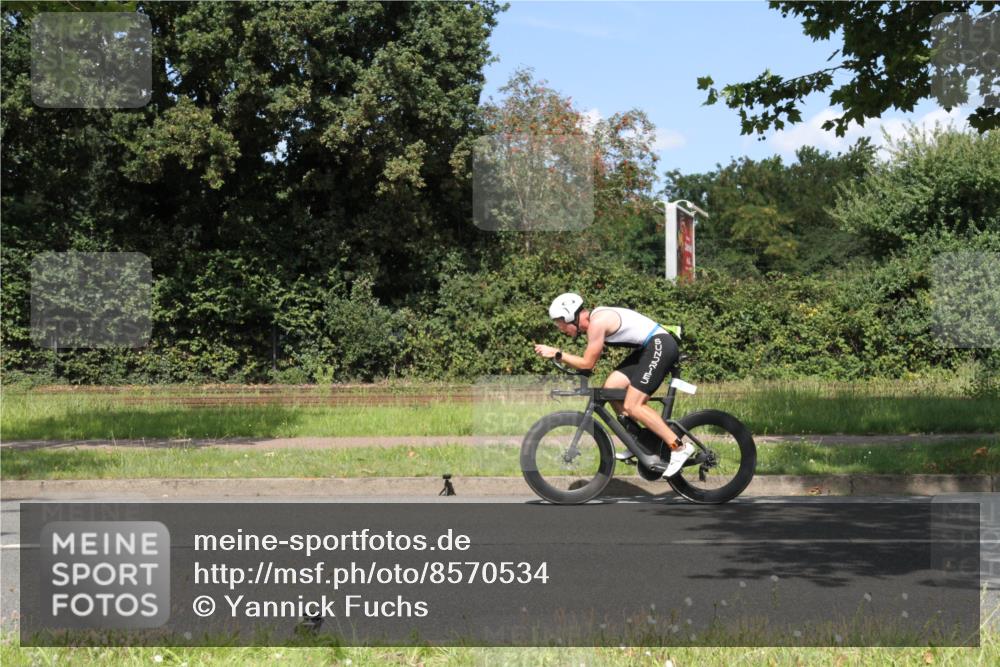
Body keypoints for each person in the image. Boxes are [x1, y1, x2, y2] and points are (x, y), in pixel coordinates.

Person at [533, 292, 695, 477]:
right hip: (647, 348)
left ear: (570, 316)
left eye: (560, 323)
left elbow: (587, 363)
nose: (560, 328)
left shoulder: (597, 324)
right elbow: (586, 369)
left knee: (633, 405)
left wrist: (558, 354)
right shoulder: (595, 323)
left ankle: (678, 446)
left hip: (660, 345)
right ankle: (639, 441)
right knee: (610, 390)